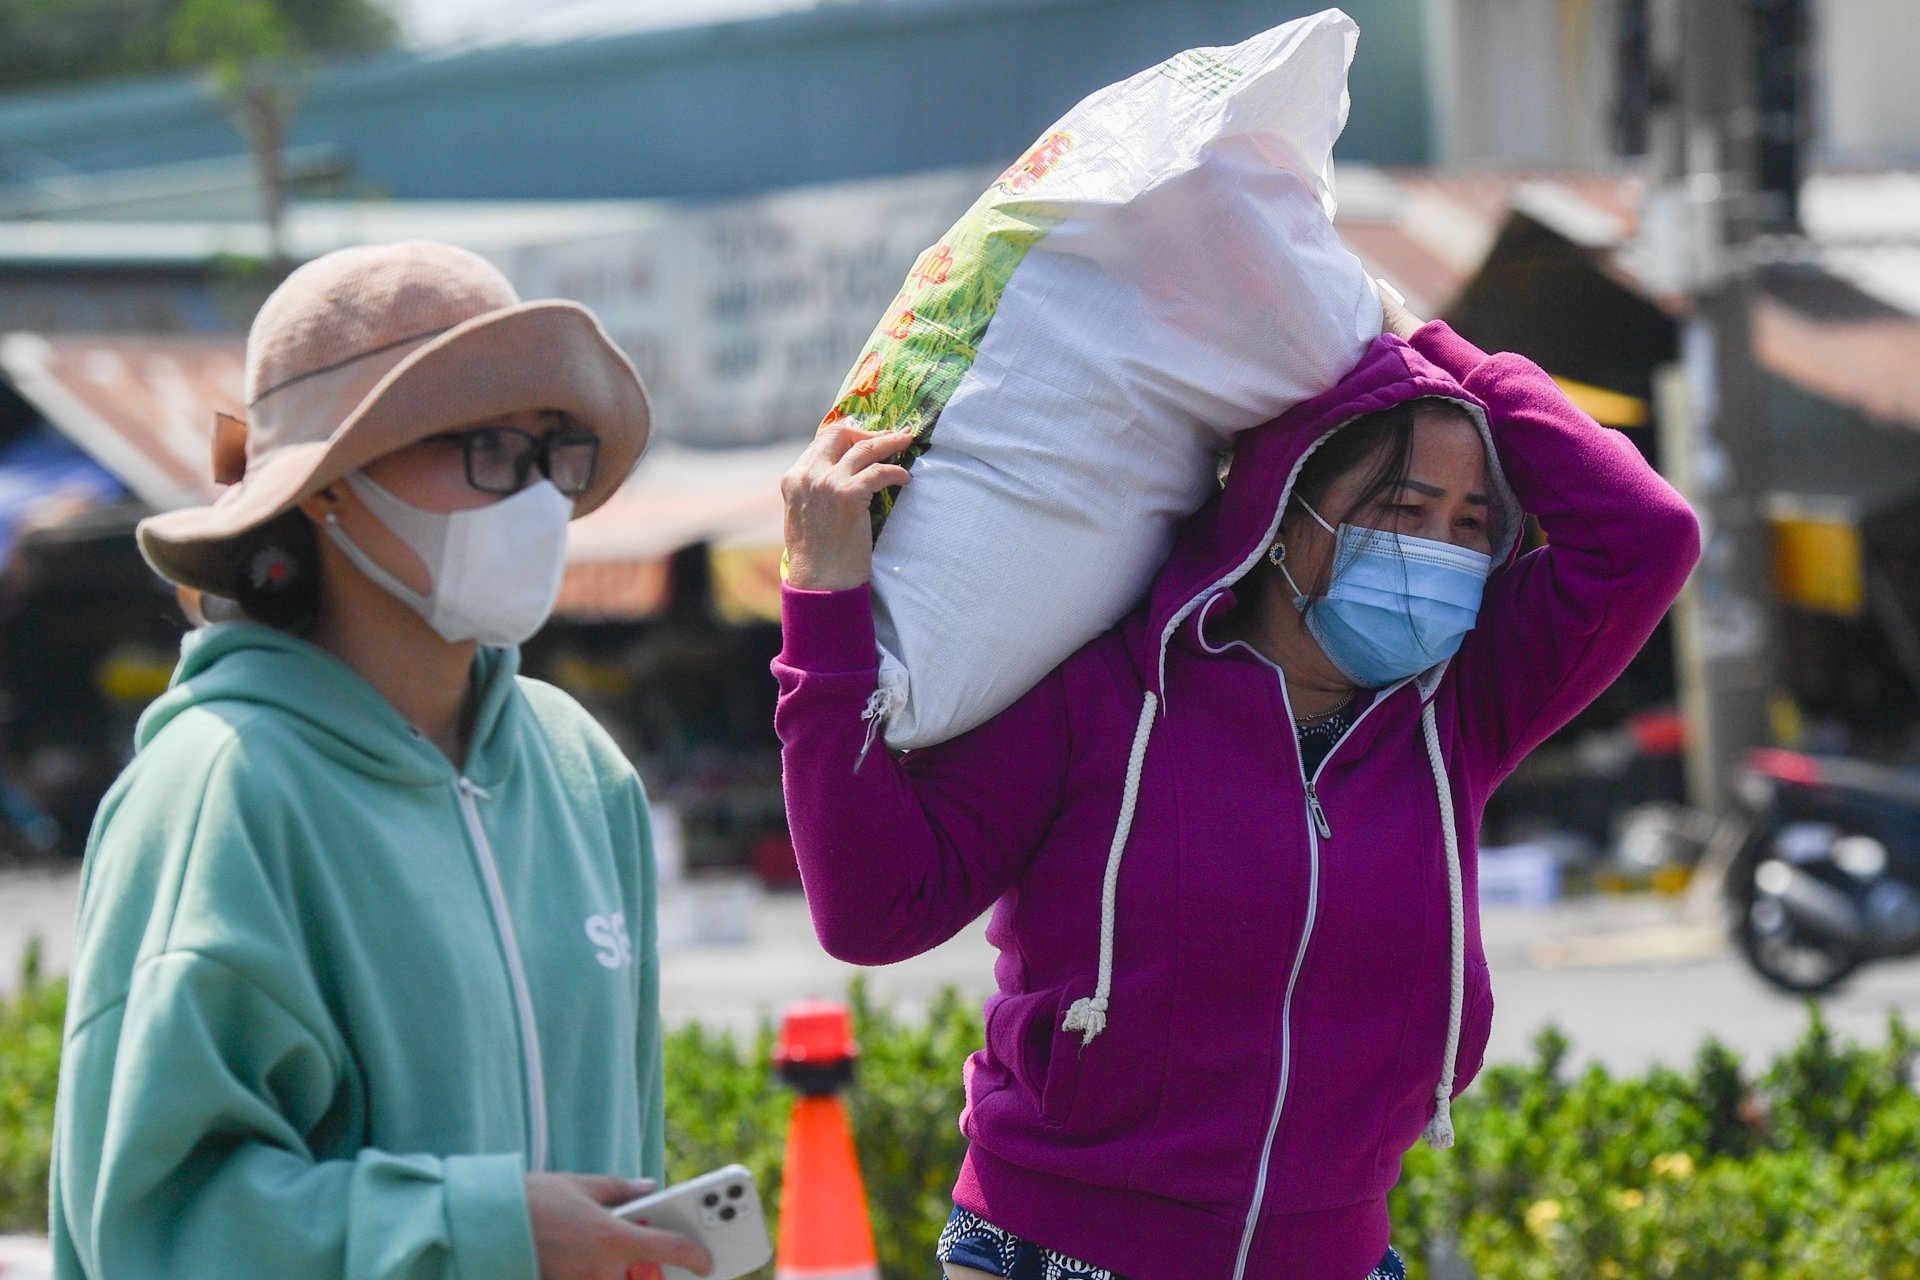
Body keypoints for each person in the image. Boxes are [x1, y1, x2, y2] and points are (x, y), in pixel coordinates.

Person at [774, 298, 1701, 1280]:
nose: (1441, 551)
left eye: (1472, 523)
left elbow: (1647, 533)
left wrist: (1419, 340)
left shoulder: (1460, 704)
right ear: (1282, 508)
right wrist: (823, 608)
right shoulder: (1104, 689)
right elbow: (875, 908)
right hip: (1062, 1252)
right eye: (1401, 508)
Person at [51, 242, 712, 1280]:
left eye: (555, 452)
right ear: (326, 488)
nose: (538, 496)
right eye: (489, 446)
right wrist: (482, 1228)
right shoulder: (223, 785)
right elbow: (158, 1226)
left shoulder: (583, 771)